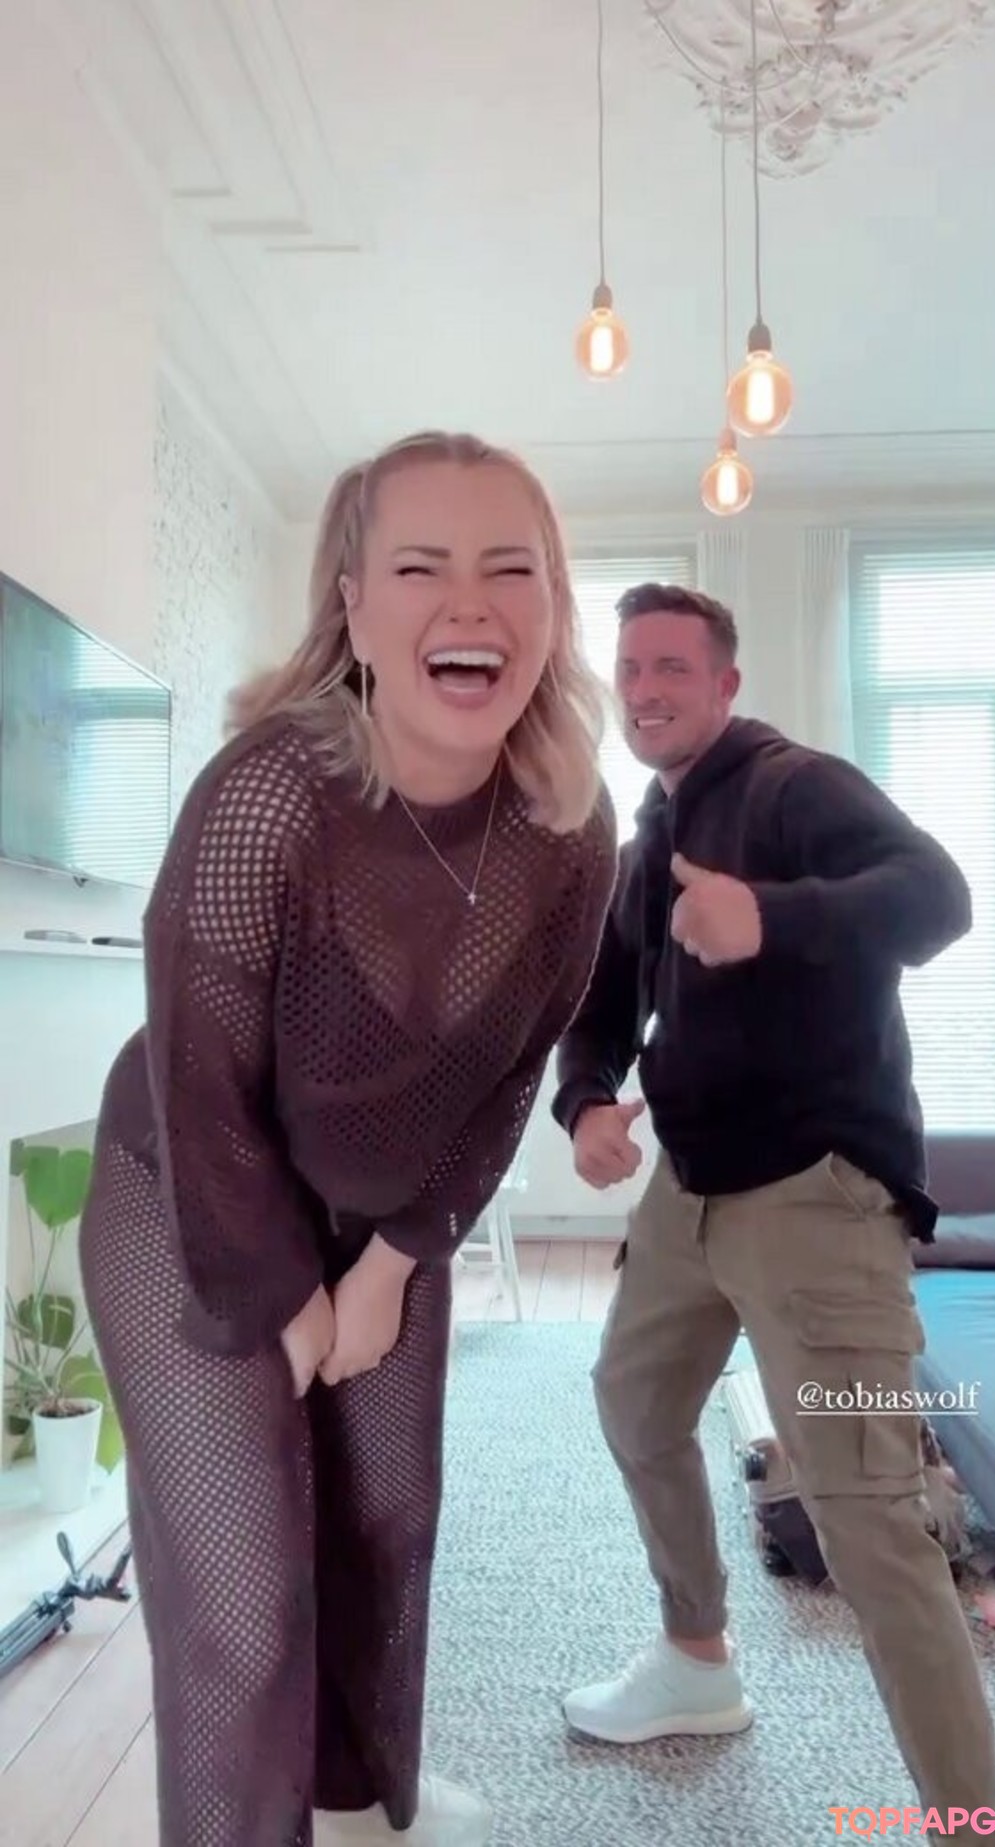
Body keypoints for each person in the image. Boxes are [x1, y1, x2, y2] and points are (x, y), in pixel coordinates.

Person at [78, 431, 617, 1847]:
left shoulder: (574, 832)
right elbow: (202, 1091)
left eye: (512, 569)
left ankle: (361, 1810)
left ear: (554, 609)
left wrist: (391, 1259)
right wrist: (285, 1298)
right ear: (354, 604)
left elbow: (508, 1076)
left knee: (387, 1523)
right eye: (421, 566)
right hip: (187, 1193)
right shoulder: (269, 793)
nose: (470, 601)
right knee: (243, 1606)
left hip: (381, 1210)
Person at [551, 583, 995, 1847]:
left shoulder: (796, 786)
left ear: (725, 684)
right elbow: (599, 1003)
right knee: (635, 1403)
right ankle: (697, 1655)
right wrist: (584, 1104)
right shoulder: (653, 833)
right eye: (631, 667)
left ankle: (974, 1827)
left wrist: (772, 915)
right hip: (688, 1189)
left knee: (867, 1514)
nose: (647, 688)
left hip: (815, 1194)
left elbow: (939, 896)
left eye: (673, 667)